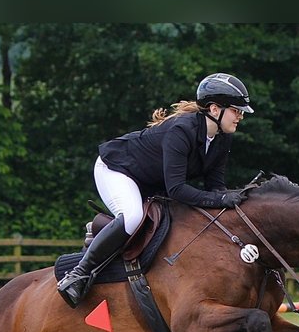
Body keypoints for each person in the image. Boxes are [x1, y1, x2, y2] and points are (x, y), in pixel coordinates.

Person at [57, 73, 255, 308]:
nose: (240, 116)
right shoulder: (181, 131)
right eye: (236, 110)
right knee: (133, 217)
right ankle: (78, 275)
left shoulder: (222, 139)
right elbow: (177, 189)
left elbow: (215, 187)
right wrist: (222, 198)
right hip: (118, 170)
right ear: (214, 109)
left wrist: (229, 200)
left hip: (151, 181)